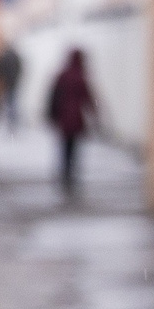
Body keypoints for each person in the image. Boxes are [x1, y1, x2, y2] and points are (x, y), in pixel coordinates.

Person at [44, 47, 102, 197]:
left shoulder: (62, 75)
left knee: (64, 147)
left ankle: (65, 173)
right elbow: (89, 98)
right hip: (76, 118)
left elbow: (53, 96)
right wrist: (96, 114)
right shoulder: (81, 76)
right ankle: (70, 174)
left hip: (64, 118)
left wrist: (51, 115)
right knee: (74, 147)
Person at [0, 41, 24, 130]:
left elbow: (2, 69)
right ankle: (13, 118)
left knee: (9, 100)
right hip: (13, 81)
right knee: (12, 100)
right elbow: (19, 68)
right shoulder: (14, 57)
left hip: (8, 82)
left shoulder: (5, 57)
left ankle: (11, 118)